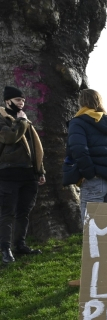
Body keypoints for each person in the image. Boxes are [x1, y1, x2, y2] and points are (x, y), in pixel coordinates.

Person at [66, 89, 107, 223]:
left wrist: (88, 174)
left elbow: (78, 149)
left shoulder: (78, 122)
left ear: (81, 103)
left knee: (92, 230)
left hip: (95, 179)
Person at [0, 86, 46, 263]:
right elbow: (9, 138)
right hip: (7, 173)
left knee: (24, 212)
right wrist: (21, 122)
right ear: (7, 101)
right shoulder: (4, 119)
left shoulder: (23, 119)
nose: (22, 103)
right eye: (18, 100)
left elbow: (34, 147)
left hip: (28, 175)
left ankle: (19, 245)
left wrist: (40, 171)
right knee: (7, 213)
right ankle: (5, 249)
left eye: (23, 100)